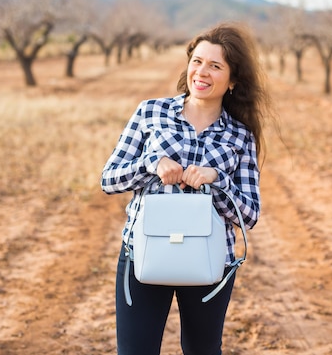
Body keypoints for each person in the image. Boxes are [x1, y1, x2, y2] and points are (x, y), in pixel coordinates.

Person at [101, 22, 271, 355]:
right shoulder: (150, 112)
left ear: (233, 81)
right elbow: (109, 179)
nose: (202, 71)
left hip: (210, 261)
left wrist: (216, 179)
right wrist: (151, 164)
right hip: (145, 253)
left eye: (215, 65)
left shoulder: (240, 135)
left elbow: (249, 214)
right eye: (197, 61)